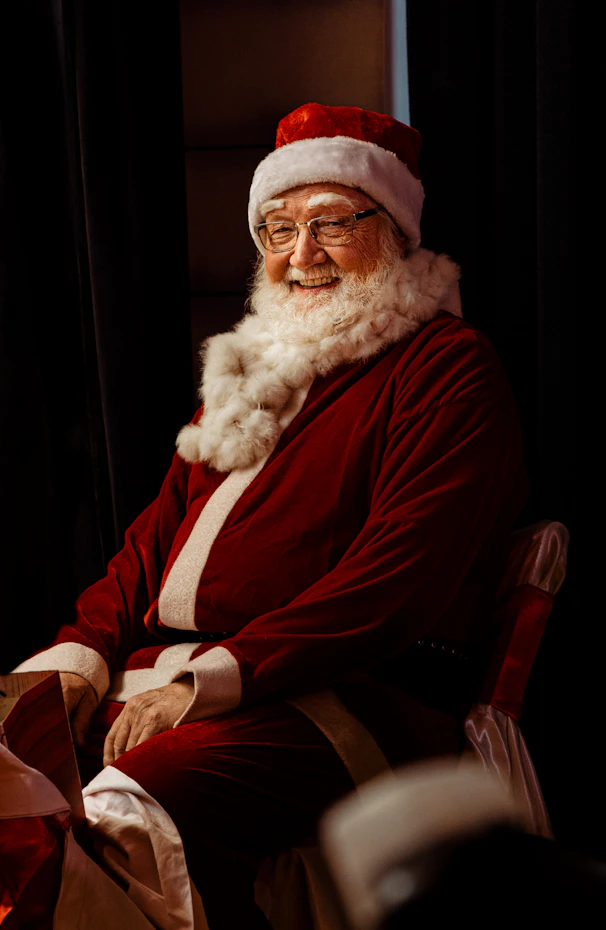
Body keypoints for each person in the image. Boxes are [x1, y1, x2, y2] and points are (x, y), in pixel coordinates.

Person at [14, 102, 527, 928]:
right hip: (182, 676)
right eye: (279, 230)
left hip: (348, 698)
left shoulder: (448, 370)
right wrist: (80, 655)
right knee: (10, 773)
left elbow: (396, 582)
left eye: (330, 225)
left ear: (392, 229)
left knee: (135, 810)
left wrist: (214, 679)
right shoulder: (254, 369)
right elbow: (146, 551)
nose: (302, 256)